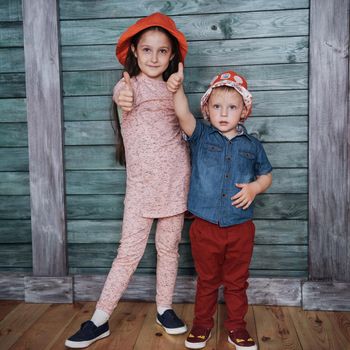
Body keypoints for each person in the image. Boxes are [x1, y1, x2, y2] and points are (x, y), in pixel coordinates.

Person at [65, 13, 190, 348]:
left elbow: (187, 123)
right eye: (146, 49)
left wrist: (177, 91)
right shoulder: (127, 85)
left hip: (177, 180)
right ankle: (100, 318)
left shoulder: (174, 86)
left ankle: (164, 308)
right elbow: (123, 97)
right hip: (141, 187)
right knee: (128, 253)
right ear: (134, 51)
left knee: (168, 249)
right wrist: (123, 97)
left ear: (171, 56)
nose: (153, 57)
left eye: (162, 51)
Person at [167, 65, 272, 350]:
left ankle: (237, 328)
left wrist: (254, 188)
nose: (223, 113)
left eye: (231, 107)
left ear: (244, 111)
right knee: (207, 280)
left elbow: (266, 175)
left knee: (237, 282)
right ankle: (202, 325)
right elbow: (181, 114)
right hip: (205, 227)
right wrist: (177, 88)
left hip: (240, 227)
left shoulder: (252, 145)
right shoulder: (201, 135)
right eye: (216, 106)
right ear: (207, 110)